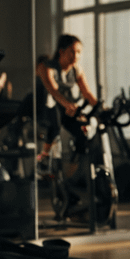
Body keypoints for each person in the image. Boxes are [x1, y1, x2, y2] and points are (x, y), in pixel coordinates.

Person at [33, 36, 100, 175]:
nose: (76, 56)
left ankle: (71, 172)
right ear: (61, 51)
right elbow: (53, 90)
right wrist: (68, 105)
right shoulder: (46, 67)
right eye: (72, 51)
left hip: (63, 108)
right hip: (44, 106)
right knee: (54, 124)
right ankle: (42, 159)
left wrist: (101, 107)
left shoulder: (76, 70)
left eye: (79, 52)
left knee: (83, 132)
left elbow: (87, 92)